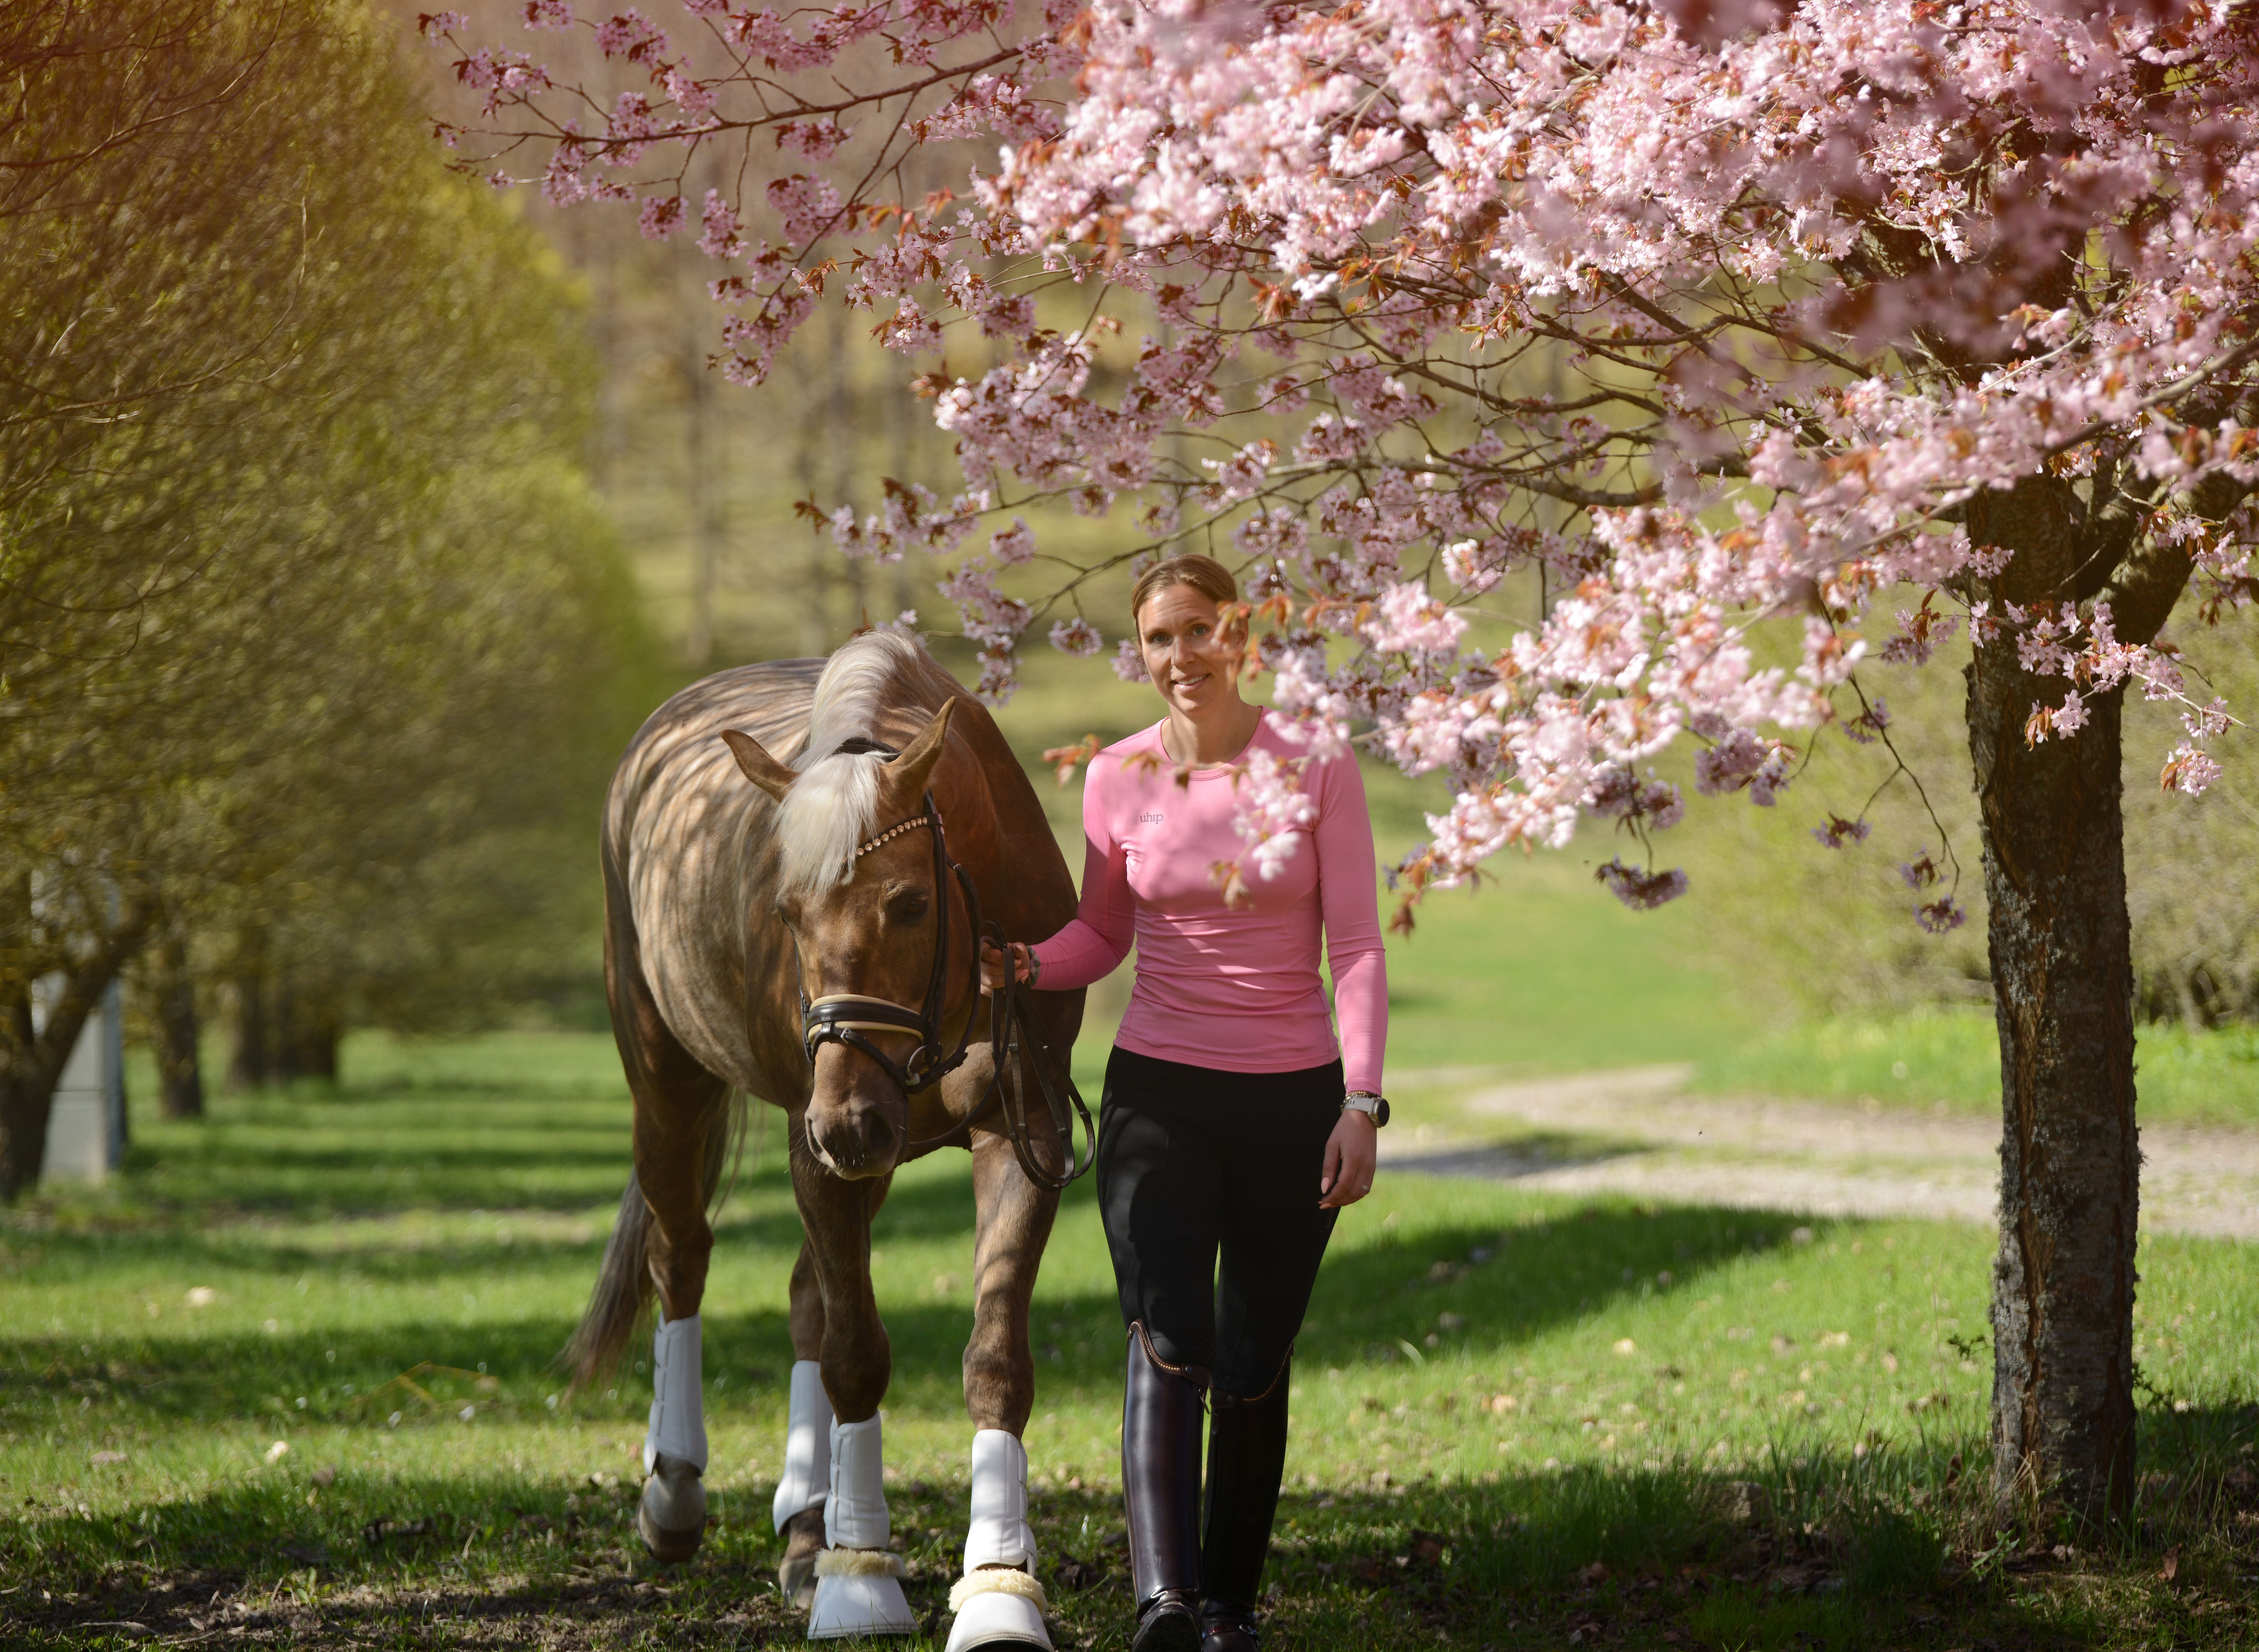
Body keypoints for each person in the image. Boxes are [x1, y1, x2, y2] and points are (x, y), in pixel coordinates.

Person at [982, 554, 1389, 1652]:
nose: (1180, 658)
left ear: (1241, 635)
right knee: (1169, 1334)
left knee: (1256, 1351)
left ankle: (1229, 1607)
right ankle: (1162, 1604)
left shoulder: (1315, 765)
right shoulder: (1113, 774)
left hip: (1291, 1100)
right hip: (1157, 1094)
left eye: (1199, 632)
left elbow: (1352, 945)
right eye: (1159, 639)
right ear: (1142, 649)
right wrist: (1018, 965)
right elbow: (1101, 936)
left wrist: (1361, 1102)